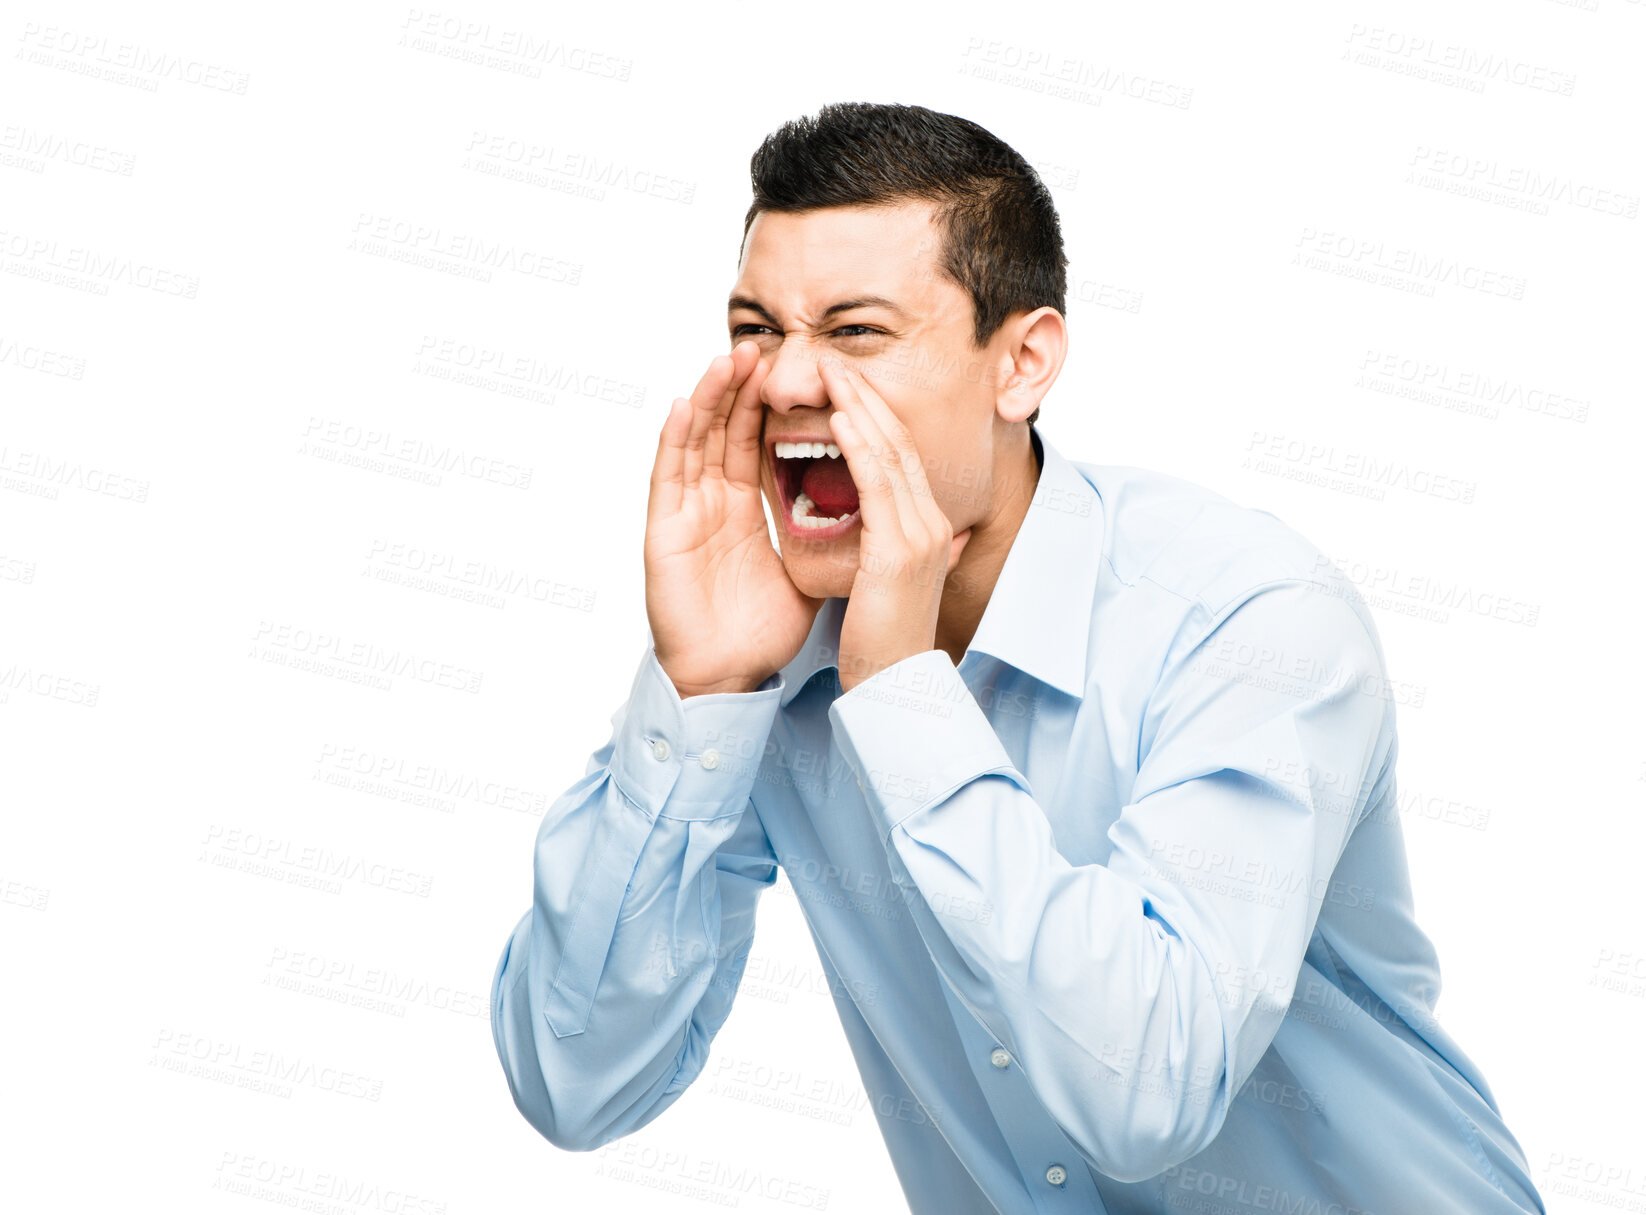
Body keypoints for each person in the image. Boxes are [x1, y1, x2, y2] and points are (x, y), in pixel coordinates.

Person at [490, 102, 1545, 1214]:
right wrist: (702, 692)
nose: (789, 386)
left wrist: (901, 699)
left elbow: (1145, 1094)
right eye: (756, 329)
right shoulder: (768, 646)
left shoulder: (1245, 619)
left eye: (853, 332)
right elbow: (573, 1086)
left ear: (1022, 364)